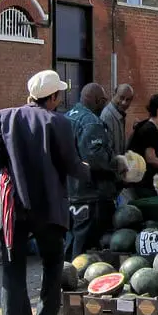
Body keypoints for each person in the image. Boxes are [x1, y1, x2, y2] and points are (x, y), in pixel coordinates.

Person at [0, 70, 89, 315]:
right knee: (53, 263)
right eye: (59, 95)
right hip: (50, 207)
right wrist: (93, 171)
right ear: (53, 97)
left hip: (14, 207)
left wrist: (10, 180)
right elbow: (72, 165)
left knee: (12, 271)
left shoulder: (3, 117)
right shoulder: (59, 122)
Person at [65, 83, 122, 259]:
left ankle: (65, 279)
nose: (105, 104)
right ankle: (78, 280)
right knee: (86, 247)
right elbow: (96, 158)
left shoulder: (67, 116)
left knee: (73, 241)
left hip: (70, 191)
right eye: (103, 101)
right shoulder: (91, 122)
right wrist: (117, 163)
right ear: (97, 100)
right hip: (91, 194)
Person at [127, 94, 158, 196]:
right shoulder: (149, 129)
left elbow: (155, 149)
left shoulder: (154, 127)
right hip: (143, 182)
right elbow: (151, 158)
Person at [101, 84, 134, 157]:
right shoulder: (108, 116)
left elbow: (121, 148)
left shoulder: (119, 115)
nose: (124, 102)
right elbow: (106, 151)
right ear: (113, 95)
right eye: (121, 98)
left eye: (128, 100)